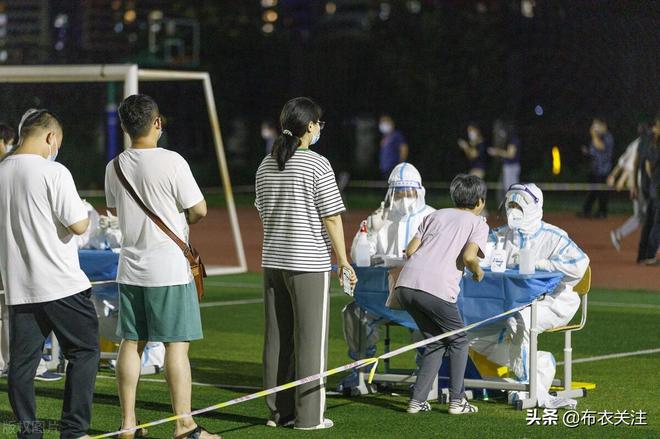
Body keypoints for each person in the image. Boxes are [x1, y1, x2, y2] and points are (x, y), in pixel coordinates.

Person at [104, 95, 217, 439]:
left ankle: (128, 423)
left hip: (131, 267)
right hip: (168, 268)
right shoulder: (172, 161)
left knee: (131, 342)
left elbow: (115, 211)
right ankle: (184, 425)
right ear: (156, 123)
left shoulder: (114, 166)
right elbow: (199, 210)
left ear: (124, 127)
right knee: (176, 346)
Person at [255, 97, 357, 430]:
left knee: (278, 339)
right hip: (308, 263)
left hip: (273, 262)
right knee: (311, 341)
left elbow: (262, 212)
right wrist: (343, 260)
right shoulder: (316, 164)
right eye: (318, 124)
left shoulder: (266, 164)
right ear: (310, 126)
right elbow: (332, 217)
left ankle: (279, 413)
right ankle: (309, 417)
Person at [0, 109, 99, 439]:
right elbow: (79, 225)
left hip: (20, 287)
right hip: (60, 283)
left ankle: (29, 431)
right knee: (84, 351)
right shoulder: (53, 171)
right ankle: (75, 430)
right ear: (50, 137)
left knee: (22, 365)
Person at [472, 183, 589, 407]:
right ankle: (541, 365)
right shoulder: (499, 235)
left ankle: (529, 386)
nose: (513, 210)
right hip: (509, 302)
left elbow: (580, 264)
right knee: (472, 333)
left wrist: (541, 264)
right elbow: (478, 259)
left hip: (554, 301)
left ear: (534, 207)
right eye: (510, 205)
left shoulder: (553, 236)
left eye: (519, 206)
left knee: (520, 320)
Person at [394, 174, 488, 415]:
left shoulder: (434, 215)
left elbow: (411, 250)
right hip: (435, 288)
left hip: (405, 285)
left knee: (435, 341)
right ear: (480, 202)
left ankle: (417, 400)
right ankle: (457, 401)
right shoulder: (478, 223)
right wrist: (478, 272)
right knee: (459, 340)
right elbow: (469, 257)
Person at [350, 162, 435, 262]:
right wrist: (370, 232)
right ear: (390, 194)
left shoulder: (432, 218)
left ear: (419, 193)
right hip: (386, 273)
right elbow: (359, 259)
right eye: (399, 195)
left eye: (409, 195)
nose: (404, 201)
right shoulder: (379, 218)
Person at [608, 124, 650, 251]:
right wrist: (621, 178)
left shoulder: (635, 144)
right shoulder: (642, 145)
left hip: (639, 184)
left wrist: (614, 176)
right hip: (642, 185)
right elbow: (630, 165)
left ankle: (618, 234)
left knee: (640, 217)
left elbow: (622, 162)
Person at [579, 118, 614, 218]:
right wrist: (587, 152)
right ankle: (586, 211)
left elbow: (601, 147)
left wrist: (594, 135)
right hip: (595, 169)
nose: (595, 128)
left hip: (604, 170)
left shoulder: (607, 137)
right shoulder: (598, 137)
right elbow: (594, 152)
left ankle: (602, 212)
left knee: (602, 192)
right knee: (592, 191)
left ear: (604, 126)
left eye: (596, 126)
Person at [639, 113, 660, 265]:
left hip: (654, 187)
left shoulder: (650, 142)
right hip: (657, 188)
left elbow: (647, 166)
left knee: (650, 222)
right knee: (657, 223)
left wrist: (653, 179)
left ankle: (643, 255)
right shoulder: (653, 143)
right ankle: (650, 255)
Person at [488, 120, 520, 203]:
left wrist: (496, 152)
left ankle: (515, 206)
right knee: (506, 189)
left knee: (512, 189)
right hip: (509, 166)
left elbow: (511, 155)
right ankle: (510, 206)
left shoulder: (513, 140)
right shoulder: (510, 140)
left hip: (511, 166)